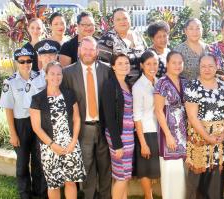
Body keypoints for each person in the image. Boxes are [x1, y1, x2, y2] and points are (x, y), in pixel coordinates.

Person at [61, 36, 112, 199]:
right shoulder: (68, 73)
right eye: (85, 49)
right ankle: (89, 195)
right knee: (86, 166)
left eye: (92, 49)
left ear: (97, 51)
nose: (88, 52)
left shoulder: (107, 70)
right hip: (83, 128)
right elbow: (66, 105)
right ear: (79, 50)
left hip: (103, 128)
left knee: (105, 167)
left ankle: (105, 196)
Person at [29, 61, 86, 199]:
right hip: (49, 147)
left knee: (70, 182)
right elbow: (36, 127)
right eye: (52, 74)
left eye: (59, 74)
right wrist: (52, 145)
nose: (56, 77)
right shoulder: (37, 99)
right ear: (46, 76)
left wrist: (73, 142)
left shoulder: (69, 94)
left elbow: (77, 119)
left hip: (70, 145)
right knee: (53, 185)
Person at [0, 47, 47, 199]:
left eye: (29, 61)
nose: (26, 64)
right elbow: (8, 109)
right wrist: (13, 134)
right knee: (22, 164)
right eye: (22, 61)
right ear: (17, 62)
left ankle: (39, 193)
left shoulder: (40, 77)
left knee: (39, 162)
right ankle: (25, 194)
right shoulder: (10, 82)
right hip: (21, 124)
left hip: (38, 122)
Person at [185, 54, 224, 199]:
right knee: (197, 178)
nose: (207, 69)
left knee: (215, 177)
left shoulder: (223, 85)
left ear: (216, 67)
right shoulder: (193, 86)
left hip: (219, 139)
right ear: (199, 67)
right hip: (199, 137)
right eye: (203, 66)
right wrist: (207, 137)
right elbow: (192, 116)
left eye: (211, 66)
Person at [154, 51, 187, 199]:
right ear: (167, 64)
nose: (177, 65)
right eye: (174, 62)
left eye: (180, 62)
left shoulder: (185, 82)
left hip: (184, 131)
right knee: (170, 169)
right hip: (168, 130)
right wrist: (168, 135)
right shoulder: (162, 82)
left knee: (182, 168)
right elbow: (158, 111)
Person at [101, 53, 134, 199]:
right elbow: (109, 117)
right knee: (122, 176)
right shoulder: (110, 85)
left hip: (129, 135)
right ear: (113, 66)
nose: (124, 66)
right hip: (119, 136)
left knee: (124, 175)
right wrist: (117, 143)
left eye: (126, 63)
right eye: (120, 63)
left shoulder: (128, 84)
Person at [132, 50, 161, 199]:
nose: (152, 67)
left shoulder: (159, 82)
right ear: (142, 65)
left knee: (154, 168)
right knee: (144, 169)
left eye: (155, 63)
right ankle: (148, 196)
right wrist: (143, 143)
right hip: (146, 131)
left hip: (158, 131)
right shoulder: (138, 87)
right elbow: (137, 117)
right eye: (148, 63)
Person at [98, 8, 147, 84]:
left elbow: (147, 56)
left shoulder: (137, 35)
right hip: (119, 88)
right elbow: (102, 67)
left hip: (141, 87)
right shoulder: (107, 39)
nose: (122, 22)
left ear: (130, 20)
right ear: (113, 22)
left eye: (125, 18)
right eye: (118, 19)